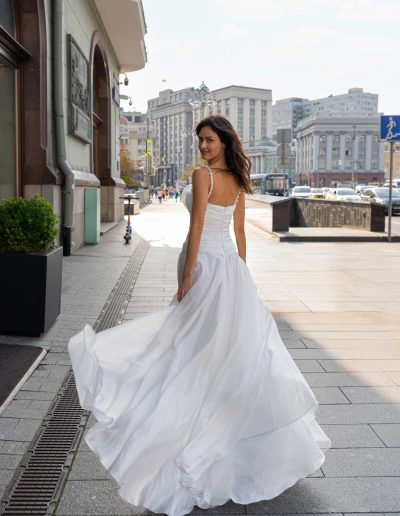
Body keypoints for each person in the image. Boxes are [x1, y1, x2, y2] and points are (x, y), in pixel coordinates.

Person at [68, 115, 331, 516]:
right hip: (228, 270)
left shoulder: (203, 175)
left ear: (224, 141)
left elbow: (197, 229)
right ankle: (222, 431)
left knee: (188, 347)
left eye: (208, 140)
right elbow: (238, 236)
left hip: (207, 267)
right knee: (226, 355)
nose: (203, 147)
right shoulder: (240, 179)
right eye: (200, 141)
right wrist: (241, 275)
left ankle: (191, 429)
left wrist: (187, 278)